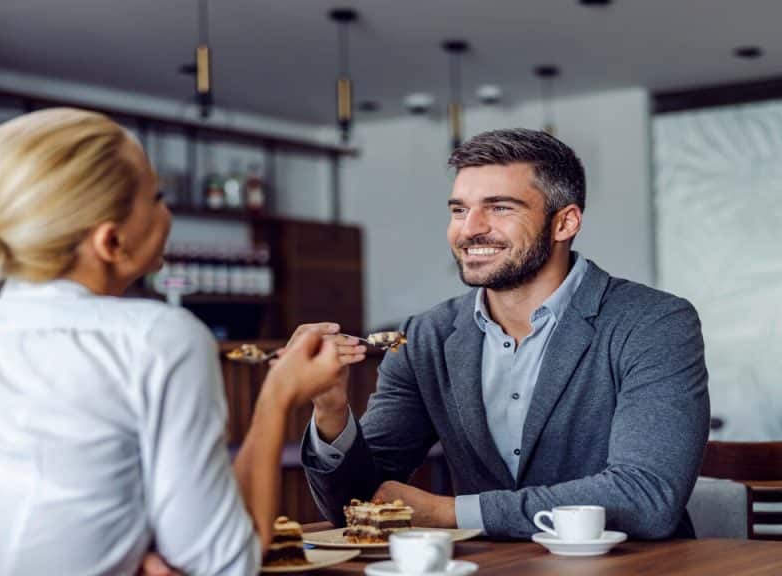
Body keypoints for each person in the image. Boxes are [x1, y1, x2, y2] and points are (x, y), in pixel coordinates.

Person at [0, 108, 363, 575]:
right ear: (111, 242)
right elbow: (225, 561)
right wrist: (279, 393)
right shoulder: (158, 338)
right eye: (156, 197)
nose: (167, 212)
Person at [301, 128, 710, 540]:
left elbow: (646, 497)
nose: (470, 229)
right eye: (459, 210)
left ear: (564, 222)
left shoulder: (655, 322)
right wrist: (331, 408)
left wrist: (449, 513)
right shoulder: (424, 337)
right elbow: (356, 506)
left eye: (499, 208)